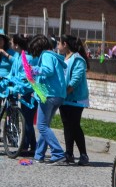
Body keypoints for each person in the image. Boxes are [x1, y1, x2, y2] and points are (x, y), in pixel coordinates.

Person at [29, 34, 68, 164]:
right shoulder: (53, 56)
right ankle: (39, 154)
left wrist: (33, 69)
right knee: (45, 125)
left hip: (49, 95)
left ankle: (57, 153)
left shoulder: (46, 55)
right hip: (58, 95)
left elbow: (48, 70)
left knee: (41, 125)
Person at [58, 34, 90, 166]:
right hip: (65, 97)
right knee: (67, 125)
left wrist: (65, 92)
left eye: (59, 43)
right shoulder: (62, 58)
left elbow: (75, 80)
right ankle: (69, 153)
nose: (58, 46)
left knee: (74, 125)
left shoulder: (78, 59)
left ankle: (83, 154)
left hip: (76, 99)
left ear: (65, 44)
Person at [8, 35, 36, 156]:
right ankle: (33, 146)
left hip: (30, 92)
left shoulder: (27, 58)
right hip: (22, 91)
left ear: (16, 44)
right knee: (26, 119)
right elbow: (13, 73)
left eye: (11, 41)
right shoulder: (18, 56)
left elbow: (27, 77)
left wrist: (17, 86)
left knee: (27, 120)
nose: (10, 43)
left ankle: (25, 147)